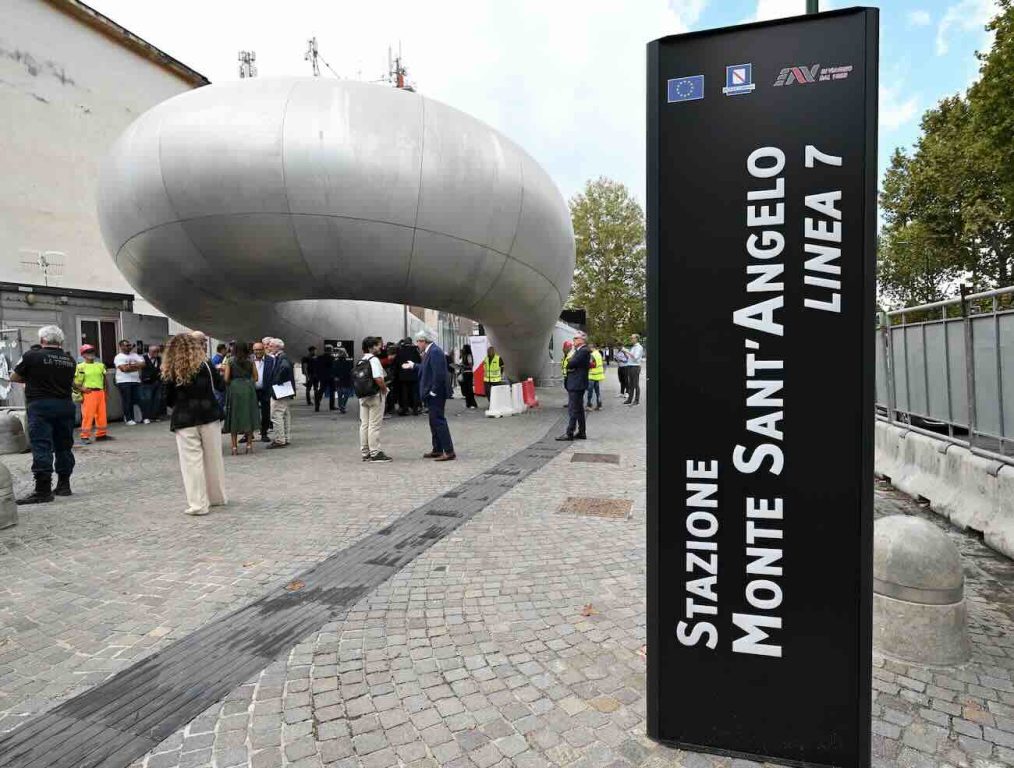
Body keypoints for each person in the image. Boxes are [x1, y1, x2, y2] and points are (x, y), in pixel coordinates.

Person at [11, 326, 77, 503]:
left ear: (42, 340)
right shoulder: (69, 359)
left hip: (41, 406)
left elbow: (14, 377)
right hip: (65, 405)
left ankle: (43, 491)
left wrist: (32, 379)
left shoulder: (32, 356)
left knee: (42, 445)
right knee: (64, 446)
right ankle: (64, 485)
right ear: (60, 341)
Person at [162, 334, 227, 516]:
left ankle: (198, 504)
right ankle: (217, 497)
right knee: (214, 458)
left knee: (191, 462)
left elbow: (167, 398)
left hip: (184, 417)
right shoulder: (206, 364)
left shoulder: (171, 368)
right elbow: (221, 386)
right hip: (209, 413)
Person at [412, 330, 455, 461]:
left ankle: (449, 451)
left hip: (436, 394)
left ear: (423, 341)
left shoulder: (435, 352)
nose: (417, 345)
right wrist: (414, 366)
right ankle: (437, 449)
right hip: (433, 393)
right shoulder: (430, 351)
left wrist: (433, 391)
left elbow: (439, 374)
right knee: (433, 421)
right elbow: (426, 368)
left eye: (418, 342)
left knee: (439, 421)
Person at [355, 336, 391, 462]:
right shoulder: (374, 360)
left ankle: (365, 452)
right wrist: (384, 389)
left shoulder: (361, 360)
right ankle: (375, 452)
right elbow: (378, 378)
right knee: (374, 425)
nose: (380, 347)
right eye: (377, 345)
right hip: (375, 395)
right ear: (371, 348)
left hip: (363, 396)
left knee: (364, 424)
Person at [223, 342, 260, 455]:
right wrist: (248, 381)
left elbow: (226, 378)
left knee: (234, 416)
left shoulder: (230, 361)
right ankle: (249, 446)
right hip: (248, 389)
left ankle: (234, 448)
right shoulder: (250, 361)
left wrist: (233, 382)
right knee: (248, 415)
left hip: (234, 389)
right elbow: (256, 377)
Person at [557, 333, 591, 441]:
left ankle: (569, 433)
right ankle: (581, 432)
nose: (574, 340)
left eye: (576, 338)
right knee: (579, 409)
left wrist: (570, 363)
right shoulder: (579, 351)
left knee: (573, 409)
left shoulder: (583, 351)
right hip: (577, 383)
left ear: (582, 340)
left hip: (577, 383)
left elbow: (571, 363)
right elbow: (571, 363)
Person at [75, 344, 112, 443]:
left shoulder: (100, 365)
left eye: (92, 351)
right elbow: (75, 382)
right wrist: (83, 389)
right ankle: (84, 436)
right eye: (87, 352)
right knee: (88, 415)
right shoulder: (80, 367)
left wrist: (106, 392)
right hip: (89, 393)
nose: (90, 353)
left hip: (100, 392)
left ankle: (101, 435)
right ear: (83, 355)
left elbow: (104, 380)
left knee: (101, 414)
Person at [268, 338, 296, 448]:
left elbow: (285, 368)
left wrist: (277, 381)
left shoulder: (281, 357)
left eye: (271, 346)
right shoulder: (283, 357)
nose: (269, 348)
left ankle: (279, 439)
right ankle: (285, 437)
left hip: (280, 389)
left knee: (276, 414)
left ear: (277, 347)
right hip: (285, 389)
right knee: (284, 414)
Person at [113, 339, 145, 425]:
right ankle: (128, 419)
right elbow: (124, 369)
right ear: (121, 347)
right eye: (127, 345)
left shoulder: (135, 355)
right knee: (127, 400)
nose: (129, 347)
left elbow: (143, 364)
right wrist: (136, 366)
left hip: (136, 380)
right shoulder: (118, 357)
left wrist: (130, 366)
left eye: (129, 345)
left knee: (139, 399)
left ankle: (140, 417)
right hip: (123, 381)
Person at [252, 340, 275, 442]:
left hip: (265, 390)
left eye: (260, 349)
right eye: (256, 350)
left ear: (264, 350)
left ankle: (264, 433)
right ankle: (248, 434)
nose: (258, 352)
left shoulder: (271, 360)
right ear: (253, 350)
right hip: (252, 390)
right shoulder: (249, 360)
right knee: (250, 412)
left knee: (266, 413)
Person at [394, 337, 422, 416]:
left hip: (403, 376)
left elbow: (396, 363)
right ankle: (415, 409)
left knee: (404, 393)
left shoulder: (400, 351)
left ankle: (405, 409)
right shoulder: (415, 350)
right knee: (414, 393)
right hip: (414, 375)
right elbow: (419, 362)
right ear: (411, 342)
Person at [139, 344, 164, 423]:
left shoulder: (159, 359)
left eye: (157, 351)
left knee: (157, 399)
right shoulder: (143, 358)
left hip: (157, 381)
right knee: (147, 399)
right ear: (149, 351)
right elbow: (139, 369)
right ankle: (145, 417)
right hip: (147, 382)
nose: (156, 353)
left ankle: (154, 416)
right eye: (154, 351)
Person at [312, 344, 336, 411]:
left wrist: (317, 375)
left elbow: (316, 367)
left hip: (322, 377)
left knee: (321, 390)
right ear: (330, 350)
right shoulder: (332, 358)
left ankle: (317, 405)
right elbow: (333, 368)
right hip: (331, 377)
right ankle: (332, 406)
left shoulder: (319, 358)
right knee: (332, 391)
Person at [624, 333, 644, 406]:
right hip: (630, 366)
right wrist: (625, 353)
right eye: (631, 338)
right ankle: (630, 399)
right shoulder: (633, 347)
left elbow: (635, 357)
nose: (631, 339)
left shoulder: (639, 347)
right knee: (631, 384)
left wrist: (627, 351)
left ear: (636, 339)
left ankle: (636, 400)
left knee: (635, 384)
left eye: (632, 338)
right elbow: (630, 358)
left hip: (635, 367)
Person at [333, 347, 354, 413]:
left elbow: (333, 371)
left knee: (340, 394)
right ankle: (343, 406)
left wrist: (335, 377)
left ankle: (341, 406)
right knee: (346, 394)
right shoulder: (348, 362)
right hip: (346, 380)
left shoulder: (335, 362)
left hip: (338, 380)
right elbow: (350, 372)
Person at [586, 341, 605, 411]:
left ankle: (589, 405)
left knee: (590, 391)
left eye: (589, 348)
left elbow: (591, 365)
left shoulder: (592, 355)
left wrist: (586, 365)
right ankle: (599, 405)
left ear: (592, 348)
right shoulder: (598, 354)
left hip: (592, 375)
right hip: (598, 376)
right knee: (597, 392)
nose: (588, 349)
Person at [459, 344, 478, 409]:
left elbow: (470, 365)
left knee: (469, 389)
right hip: (464, 373)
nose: (463, 349)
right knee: (466, 389)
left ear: (466, 349)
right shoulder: (463, 356)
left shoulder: (469, 356)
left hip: (468, 373)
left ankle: (472, 403)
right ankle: (468, 403)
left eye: (464, 348)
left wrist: (464, 366)